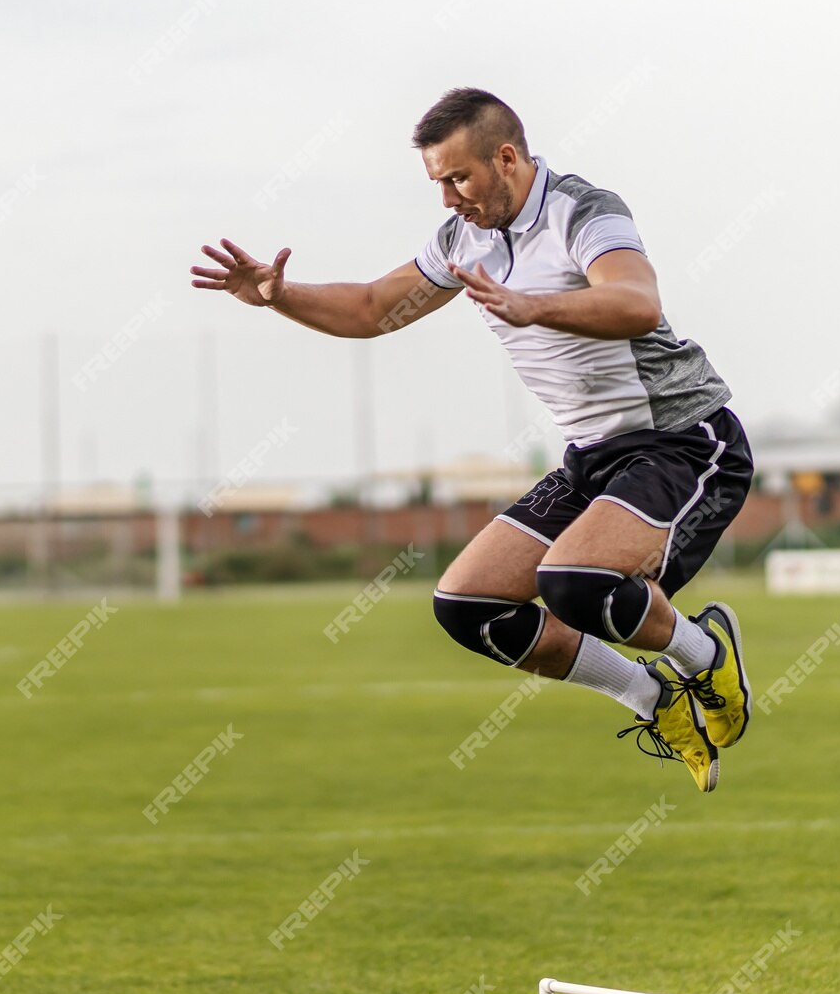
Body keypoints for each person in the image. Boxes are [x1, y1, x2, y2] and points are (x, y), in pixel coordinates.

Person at [191, 87, 755, 791]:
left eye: (458, 178)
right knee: (468, 606)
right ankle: (654, 698)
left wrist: (534, 305)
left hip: (682, 441)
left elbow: (639, 303)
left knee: (576, 584)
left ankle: (707, 656)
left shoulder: (581, 209)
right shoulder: (464, 238)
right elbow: (372, 308)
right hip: (593, 459)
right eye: (437, 183)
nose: (449, 199)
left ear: (507, 157)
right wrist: (282, 296)